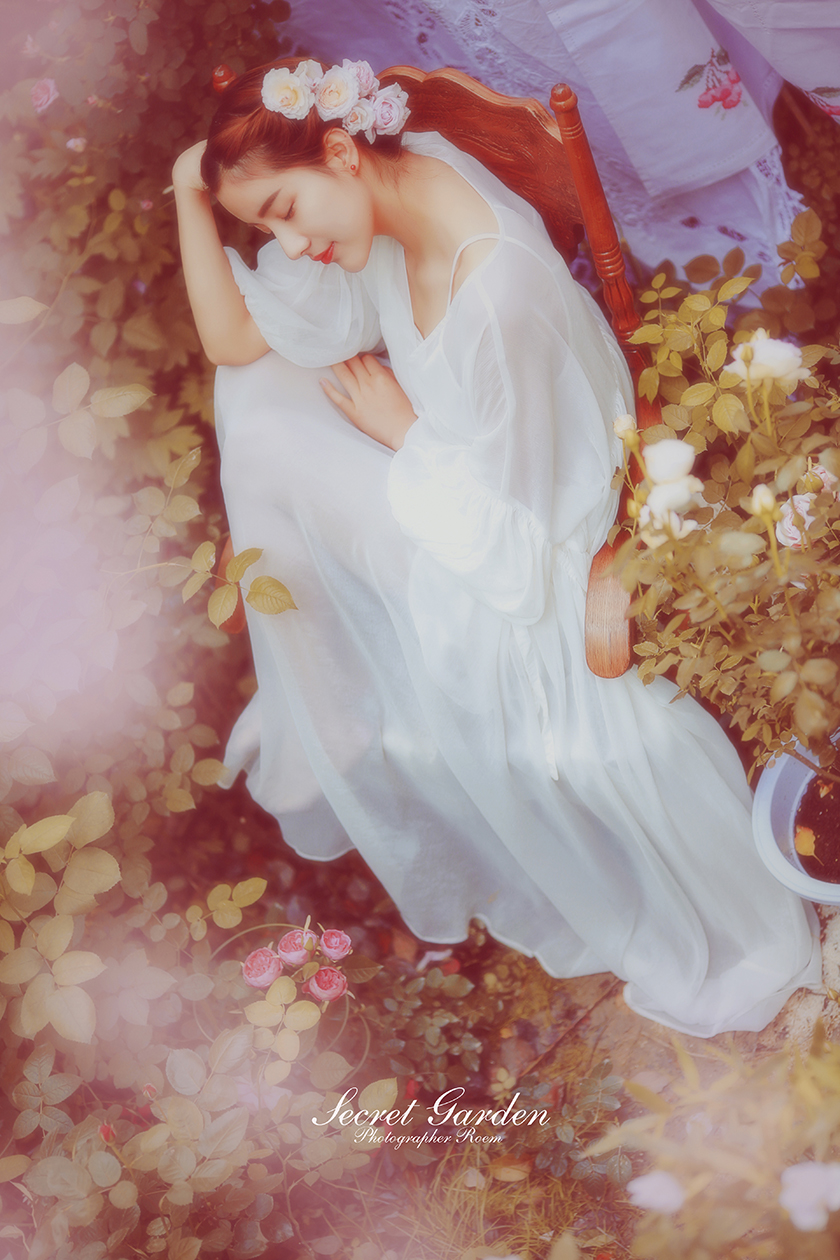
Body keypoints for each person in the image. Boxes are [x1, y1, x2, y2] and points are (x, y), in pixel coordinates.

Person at [172, 56, 822, 1037]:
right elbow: (234, 343)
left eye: (286, 212)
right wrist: (189, 188)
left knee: (272, 437)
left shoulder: (496, 292)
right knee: (256, 393)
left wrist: (403, 432)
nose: (292, 246)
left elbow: (519, 543)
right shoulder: (400, 179)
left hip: (525, 540)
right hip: (471, 466)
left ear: (342, 150)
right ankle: (330, 686)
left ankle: (335, 695)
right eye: (268, 230)